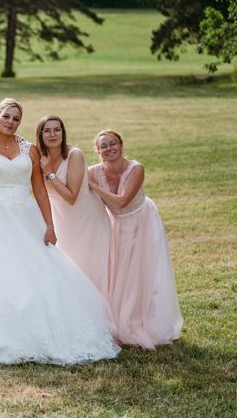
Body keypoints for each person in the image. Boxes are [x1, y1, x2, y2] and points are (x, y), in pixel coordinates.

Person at [0, 99, 120, 365]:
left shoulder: (29, 150)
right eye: (6, 116)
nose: (11, 122)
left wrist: (50, 226)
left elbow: (40, 191)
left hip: (24, 216)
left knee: (39, 270)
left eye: (16, 118)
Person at [88, 130, 183, 349]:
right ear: (98, 151)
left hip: (141, 220)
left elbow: (121, 203)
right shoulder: (93, 172)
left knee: (140, 272)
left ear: (121, 146)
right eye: (104, 146)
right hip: (114, 224)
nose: (109, 148)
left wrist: (94, 188)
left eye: (113, 144)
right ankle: (116, 319)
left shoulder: (136, 169)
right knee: (117, 271)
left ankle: (139, 320)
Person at [36, 115, 111, 297]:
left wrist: (49, 173)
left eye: (57, 130)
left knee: (88, 268)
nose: (53, 134)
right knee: (69, 269)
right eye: (47, 130)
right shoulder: (39, 158)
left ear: (63, 133)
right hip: (61, 218)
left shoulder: (74, 155)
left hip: (86, 218)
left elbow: (71, 197)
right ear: (40, 135)